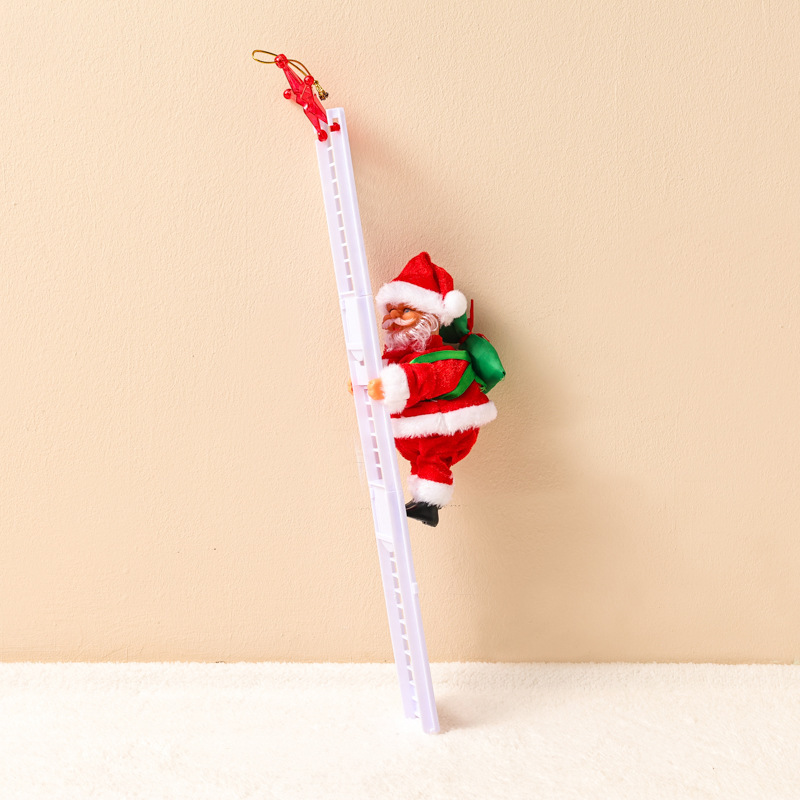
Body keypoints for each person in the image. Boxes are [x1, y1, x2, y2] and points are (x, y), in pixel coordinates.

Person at [365, 252, 497, 527]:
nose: (394, 317)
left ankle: (429, 505)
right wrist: (364, 384)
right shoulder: (400, 356)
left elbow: (426, 376)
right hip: (421, 427)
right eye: (391, 311)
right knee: (420, 459)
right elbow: (393, 371)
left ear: (431, 317)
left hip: (447, 426)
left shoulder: (443, 357)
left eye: (405, 311)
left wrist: (391, 384)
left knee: (433, 457)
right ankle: (424, 501)